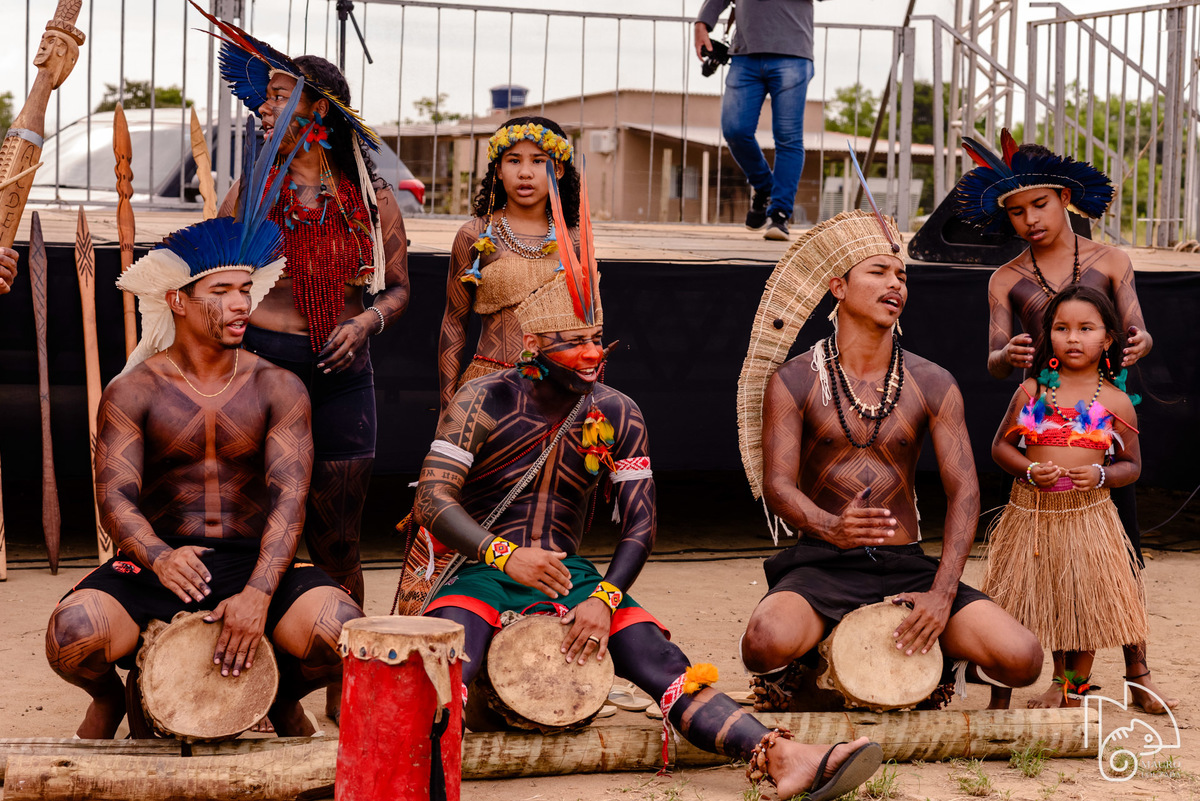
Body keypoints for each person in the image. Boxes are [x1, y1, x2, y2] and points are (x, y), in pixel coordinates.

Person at [414, 167, 883, 801]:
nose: (592, 355)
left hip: (573, 579)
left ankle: (782, 755)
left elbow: (640, 524)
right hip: (479, 574)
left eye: (596, 340)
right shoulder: (482, 399)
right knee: (448, 664)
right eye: (573, 343)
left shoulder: (618, 411)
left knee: (662, 661)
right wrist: (505, 555)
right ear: (534, 344)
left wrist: (604, 599)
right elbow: (432, 498)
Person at [44, 128, 363, 737]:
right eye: (222, 291)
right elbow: (115, 497)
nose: (241, 304)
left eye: (246, 290)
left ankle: (280, 696)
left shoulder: (278, 387)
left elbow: (290, 500)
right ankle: (109, 700)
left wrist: (260, 592)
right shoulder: (135, 389)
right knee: (72, 636)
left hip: (253, 561)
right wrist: (159, 557)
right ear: (178, 301)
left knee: (343, 633)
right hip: (159, 560)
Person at [734, 209, 1043, 709]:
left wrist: (942, 593)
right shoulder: (794, 380)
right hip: (823, 565)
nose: (895, 283)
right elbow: (778, 485)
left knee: (1022, 659)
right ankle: (813, 662)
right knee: (764, 644)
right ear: (838, 287)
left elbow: (965, 492)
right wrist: (830, 526)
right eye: (878, 271)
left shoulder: (933, 382)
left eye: (902, 275)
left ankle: (936, 664)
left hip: (907, 567)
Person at [953, 129, 1175, 713]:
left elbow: (1137, 329)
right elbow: (994, 359)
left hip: (1101, 418)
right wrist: (1007, 356)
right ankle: (1051, 677)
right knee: (1049, 561)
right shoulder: (1005, 278)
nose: (1030, 219)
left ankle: (1138, 669)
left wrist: (1142, 342)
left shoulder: (1112, 260)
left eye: (1040, 205)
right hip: (1042, 420)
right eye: (1017, 212)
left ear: (1065, 198)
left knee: (1120, 551)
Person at [203, 4, 411, 611]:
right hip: (259, 369)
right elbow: (212, 277)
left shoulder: (370, 199)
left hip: (340, 373)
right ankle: (253, 653)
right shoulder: (252, 192)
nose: (262, 108)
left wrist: (365, 321)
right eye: (265, 97)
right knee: (253, 532)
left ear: (318, 110)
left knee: (338, 540)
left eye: (278, 96)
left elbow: (398, 288)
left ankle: (345, 658)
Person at [985, 285, 1153, 710]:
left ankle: (1071, 692)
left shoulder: (1115, 402)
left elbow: (1132, 466)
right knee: (1015, 605)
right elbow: (1000, 447)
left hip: (1088, 518)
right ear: (1049, 336)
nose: (1073, 338)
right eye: (1062, 328)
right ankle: (998, 702)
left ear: (1108, 339)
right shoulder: (1033, 392)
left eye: (1086, 328)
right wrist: (1028, 470)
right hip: (1031, 516)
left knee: (1082, 607)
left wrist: (1100, 475)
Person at [437, 116, 579, 413]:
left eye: (539, 161)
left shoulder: (575, 240)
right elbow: (454, 321)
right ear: (499, 170)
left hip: (558, 392)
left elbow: (589, 328)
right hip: (489, 389)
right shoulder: (474, 234)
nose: (525, 172)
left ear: (559, 169)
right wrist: (448, 400)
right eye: (514, 160)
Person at [695, 0, 818, 241]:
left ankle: (779, 214)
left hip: (793, 53)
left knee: (788, 137)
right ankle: (764, 186)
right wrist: (702, 23)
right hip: (745, 55)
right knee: (735, 129)